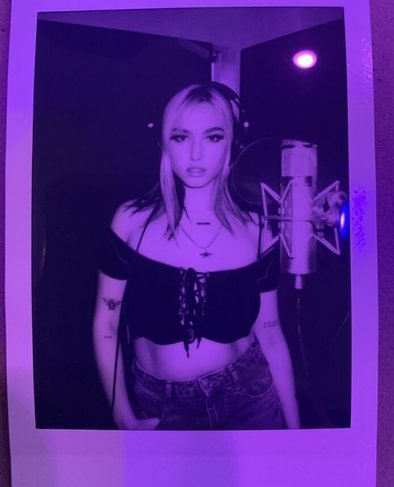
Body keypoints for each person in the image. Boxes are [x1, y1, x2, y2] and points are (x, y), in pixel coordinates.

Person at [93, 82, 300, 430]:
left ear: (232, 143)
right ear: (164, 142)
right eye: (181, 137)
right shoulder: (130, 222)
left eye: (213, 137)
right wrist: (122, 415)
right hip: (161, 407)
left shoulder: (259, 230)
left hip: (249, 398)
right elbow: (106, 323)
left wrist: (296, 431)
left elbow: (271, 332)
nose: (195, 154)